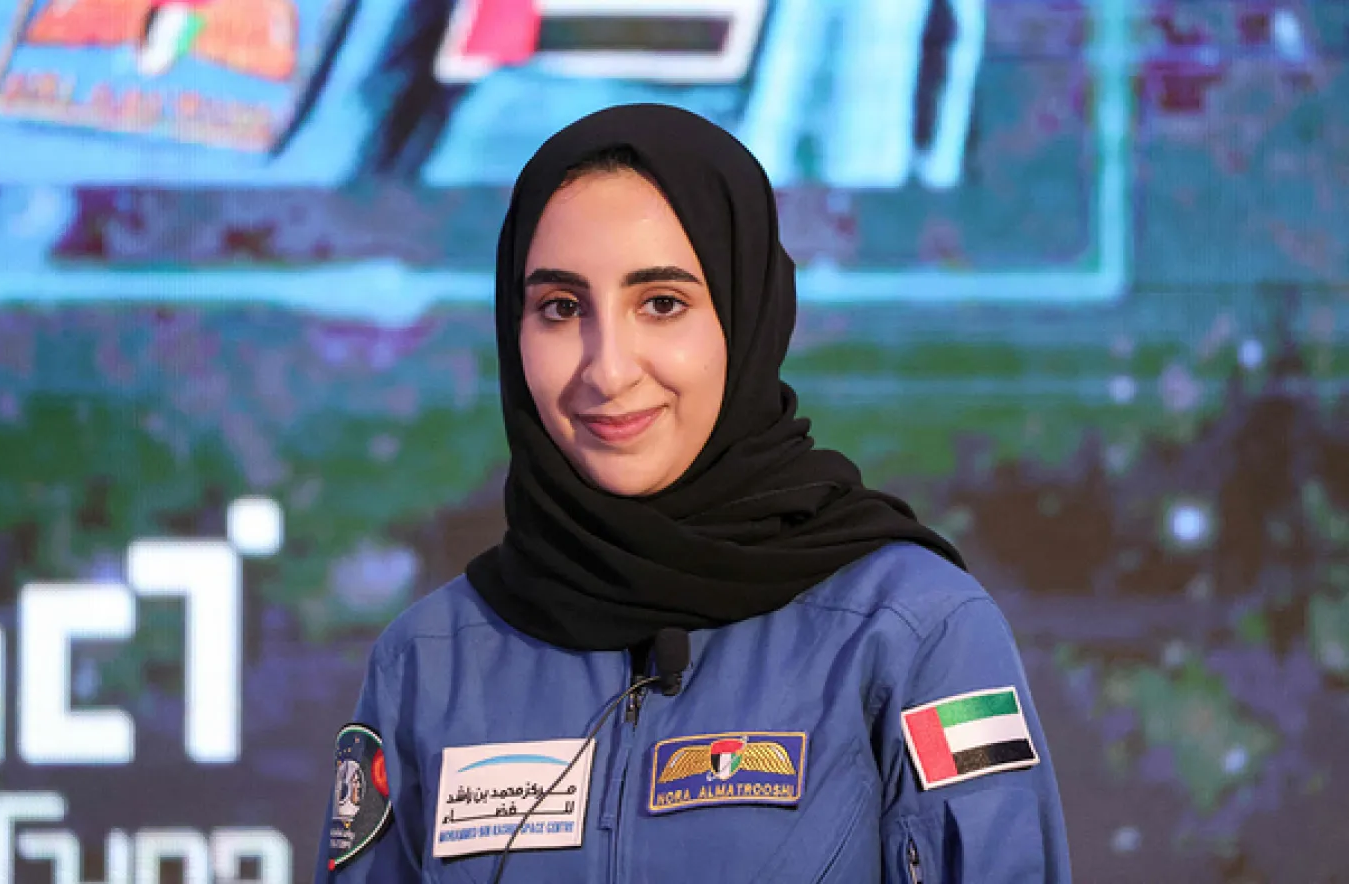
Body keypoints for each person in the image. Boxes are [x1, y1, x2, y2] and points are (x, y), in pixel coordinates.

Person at [313, 103, 1071, 883]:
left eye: (662, 304)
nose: (607, 370)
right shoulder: (430, 662)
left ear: (745, 317)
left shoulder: (913, 633)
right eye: (562, 309)